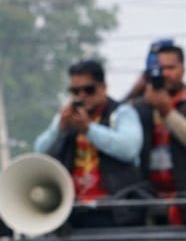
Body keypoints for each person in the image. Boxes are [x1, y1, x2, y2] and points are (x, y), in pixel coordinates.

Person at [32, 58, 143, 220]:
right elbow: (39, 152)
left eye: (88, 90)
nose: (82, 96)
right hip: (74, 210)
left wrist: (89, 129)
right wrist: (59, 129)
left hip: (115, 209)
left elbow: (129, 149)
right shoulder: (67, 117)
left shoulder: (122, 113)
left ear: (103, 88)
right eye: (75, 91)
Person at [130, 42, 186, 223]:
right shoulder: (140, 106)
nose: (165, 74)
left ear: (183, 70)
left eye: (171, 68)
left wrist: (167, 111)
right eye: (160, 68)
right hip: (149, 199)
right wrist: (136, 92)